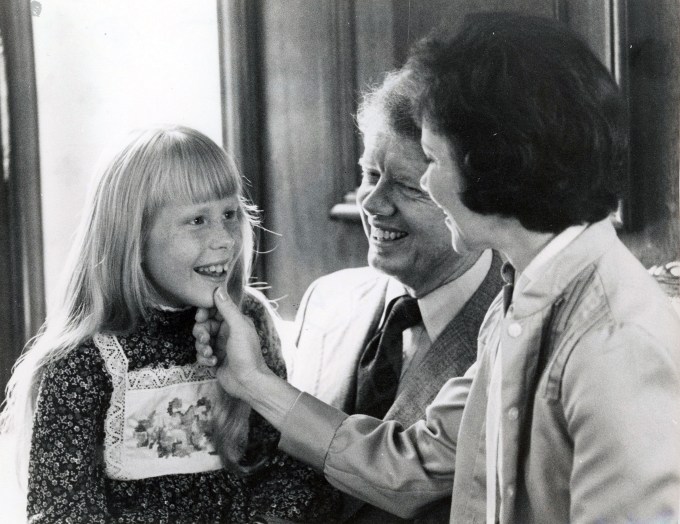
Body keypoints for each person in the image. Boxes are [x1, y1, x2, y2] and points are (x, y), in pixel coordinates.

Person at [195, 13, 680, 523]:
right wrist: (250, 379)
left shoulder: (615, 339)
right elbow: (412, 465)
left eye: (430, 161)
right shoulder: (526, 296)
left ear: (494, 167)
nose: (426, 186)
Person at [0, 126, 341, 522]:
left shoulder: (249, 323)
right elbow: (62, 512)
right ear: (133, 236)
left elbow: (286, 465)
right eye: (197, 220)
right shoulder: (84, 361)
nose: (226, 240)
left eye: (230, 214)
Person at [287, 68, 503, 523]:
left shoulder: (514, 329)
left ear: (477, 200)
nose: (371, 202)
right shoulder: (326, 300)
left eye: (406, 186)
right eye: (369, 173)